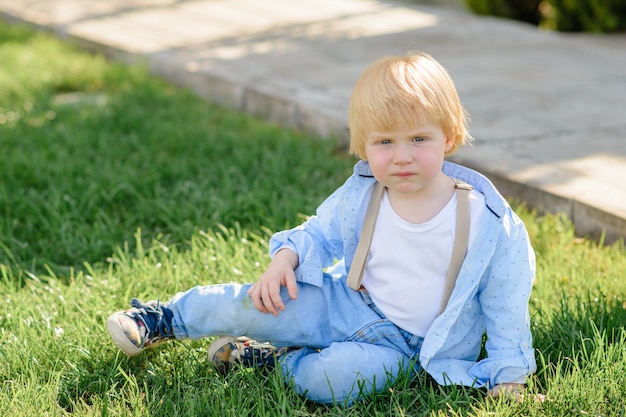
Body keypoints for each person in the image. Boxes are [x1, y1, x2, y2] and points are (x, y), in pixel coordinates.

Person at [107, 51, 537, 405]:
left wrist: (509, 375)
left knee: (334, 379)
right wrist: (285, 258)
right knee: (254, 304)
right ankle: (163, 319)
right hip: (346, 302)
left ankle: (270, 359)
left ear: (448, 136)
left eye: (418, 139)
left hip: (411, 348)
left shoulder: (486, 220)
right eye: (384, 142)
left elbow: (505, 303)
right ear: (365, 144)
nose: (401, 156)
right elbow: (319, 232)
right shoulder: (364, 192)